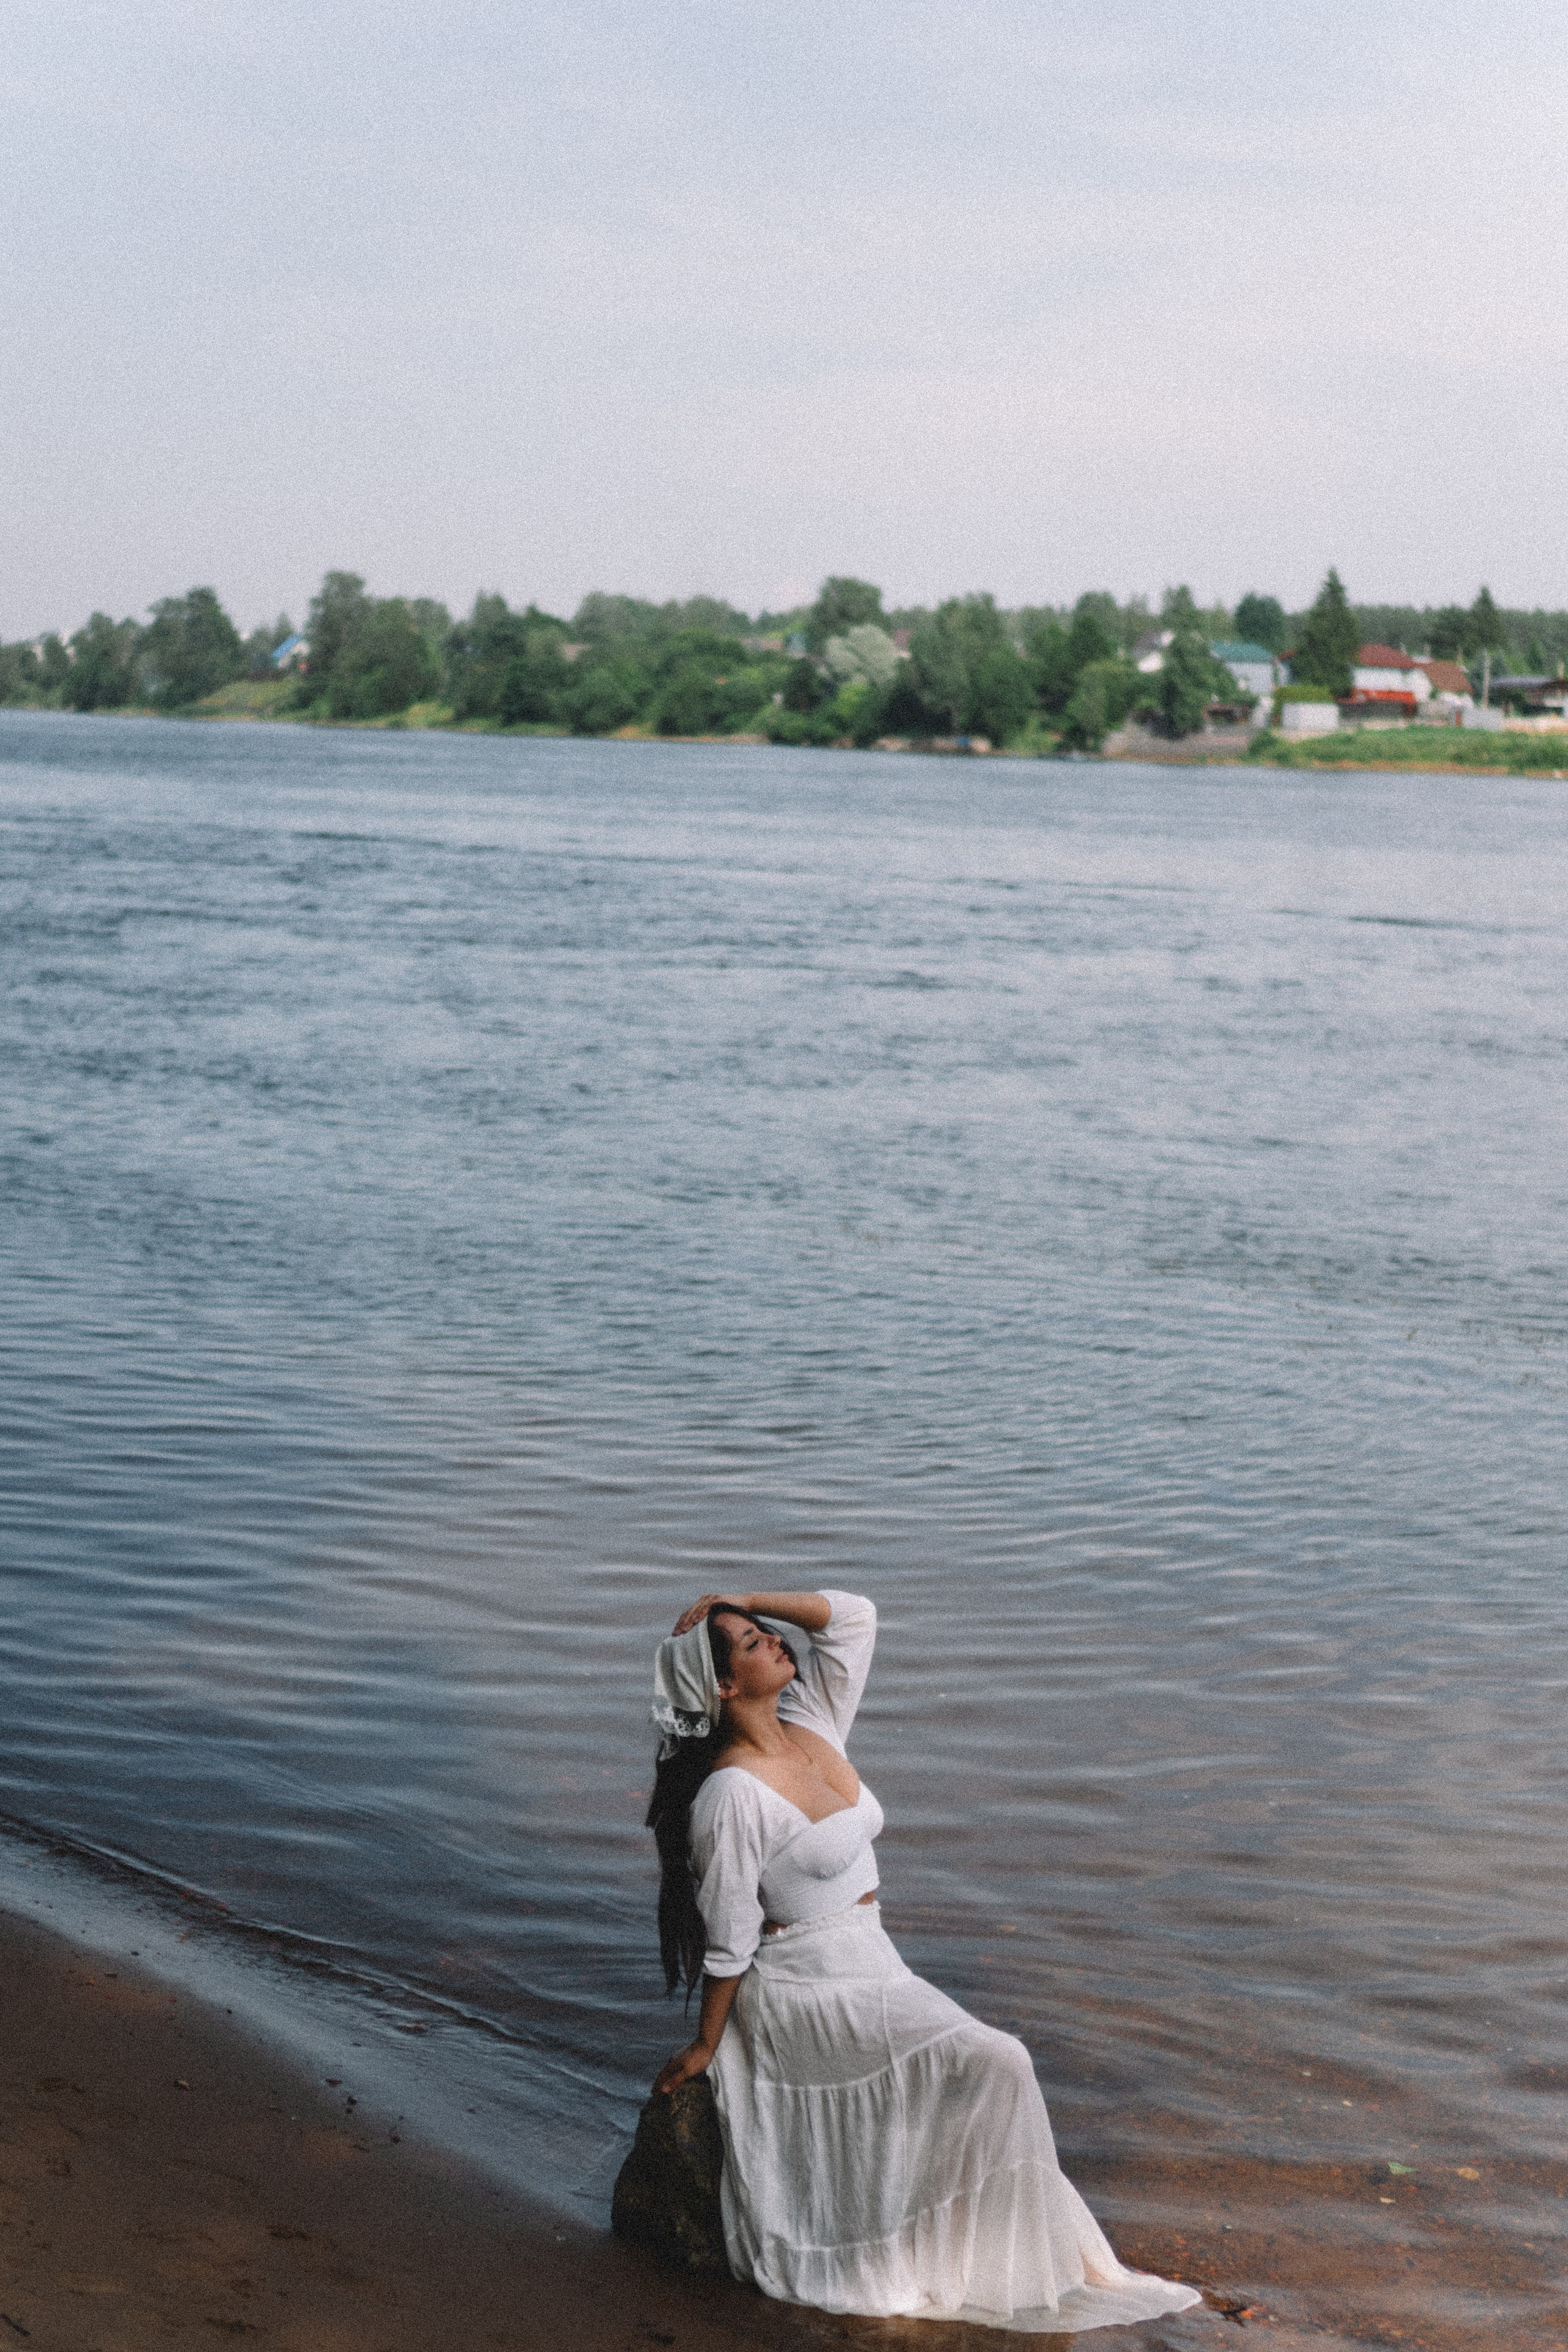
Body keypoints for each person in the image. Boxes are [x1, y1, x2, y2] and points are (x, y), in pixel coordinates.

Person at [645, 1588, 1202, 2334]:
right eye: (752, 1643)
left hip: (874, 1961)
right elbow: (731, 1937)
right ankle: (974, 2260)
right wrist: (709, 2044)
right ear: (721, 1686)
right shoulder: (730, 1797)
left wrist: (742, 1594)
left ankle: (972, 2248)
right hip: (806, 1987)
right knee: (1001, 2059)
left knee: (987, 2068)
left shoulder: (813, 1724)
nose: (778, 1643)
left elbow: (853, 1618)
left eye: (766, 1633)